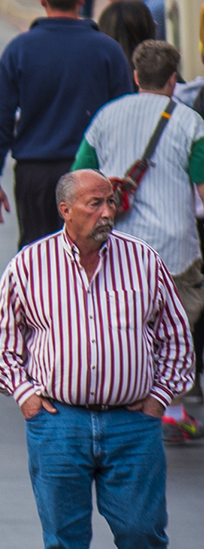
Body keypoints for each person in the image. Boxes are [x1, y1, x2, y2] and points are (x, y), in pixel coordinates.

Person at [0, 166, 191, 549]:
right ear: (66, 209)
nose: (106, 212)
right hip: (59, 423)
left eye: (110, 202)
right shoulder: (30, 266)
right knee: (64, 536)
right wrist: (28, 397)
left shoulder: (142, 261)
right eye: (95, 203)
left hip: (131, 424)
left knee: (143, 530)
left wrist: (158, 398)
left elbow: (177, 338)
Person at [72, 40, 204, 427]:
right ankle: (172, 410)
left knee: (123, 321)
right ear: (173, 79)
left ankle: (120, 394)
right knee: (176, 326)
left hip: (116, 243)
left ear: (135, 76)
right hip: (173, 246)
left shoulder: (105, 117)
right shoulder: (190, 122)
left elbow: (79, 178)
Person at [0, 0, 133, 251]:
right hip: (91, 175)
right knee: (93, 255)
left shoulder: (19, 50)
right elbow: (122, 119)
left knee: (37, 258)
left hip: (34, 174)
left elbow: (0, 119)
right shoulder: (108, 51)